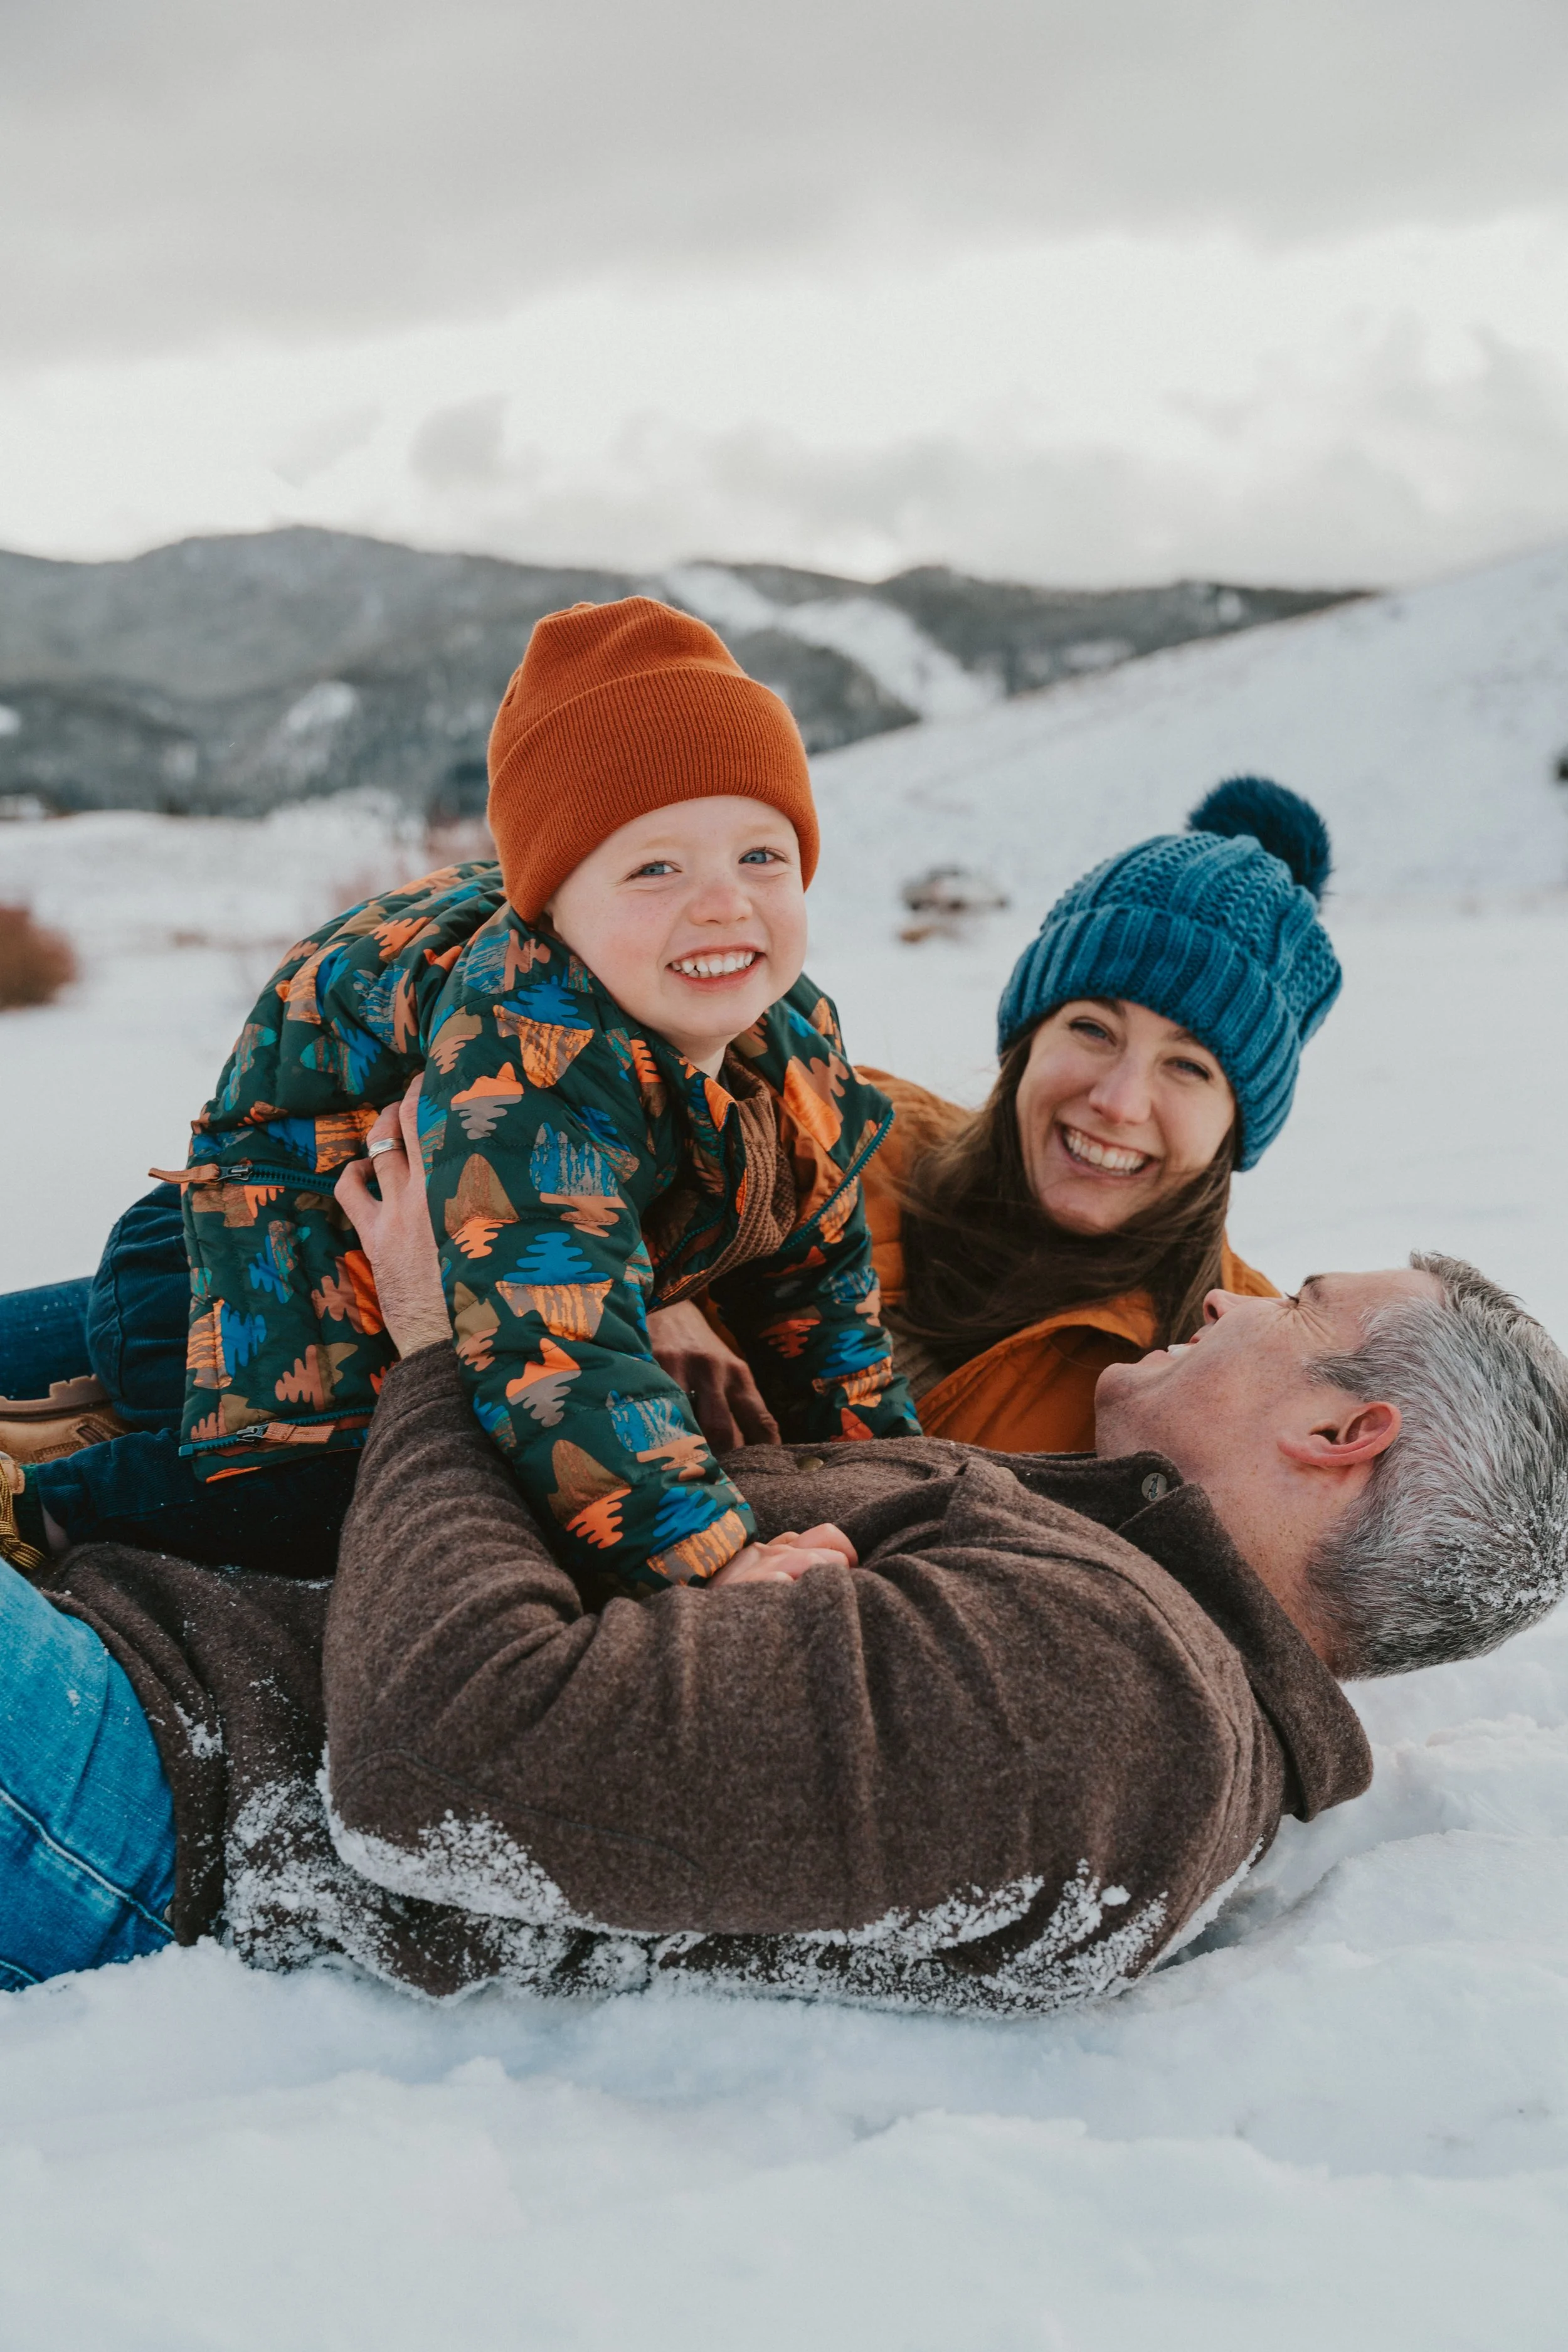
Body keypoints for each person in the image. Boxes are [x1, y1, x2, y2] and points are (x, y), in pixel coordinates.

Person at [6, 1079, 1568, 2005]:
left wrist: (448, 1354)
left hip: (140, 1780)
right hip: (141, 1661)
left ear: (1339, 1436)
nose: (1233, 1296)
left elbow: (448, 1762)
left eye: (1295, 1309)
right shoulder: (1105, 1590)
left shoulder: (1119, 1703)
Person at [0, 597, 918, 1593]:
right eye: (655, 866)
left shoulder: (791, 1046)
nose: (724, 900)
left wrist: (882, 1463)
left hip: (344, 1281)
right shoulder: (535, 1041)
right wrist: (711, 1555)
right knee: (366, 1486)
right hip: (229, 1280)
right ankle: (50, 1499)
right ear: (553, 906)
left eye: (761, 856)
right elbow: (552, 1342)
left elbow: (819, 1283)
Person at [650, 777, 1342, 1455]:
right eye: (1093, 1030)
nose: (1118, 1101)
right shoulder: (838, 1136)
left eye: (1188, 1068)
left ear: (1237, 1121)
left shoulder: (1235, 1362)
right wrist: (646, 1297)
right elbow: (565, 1111)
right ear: (1027, 1042)